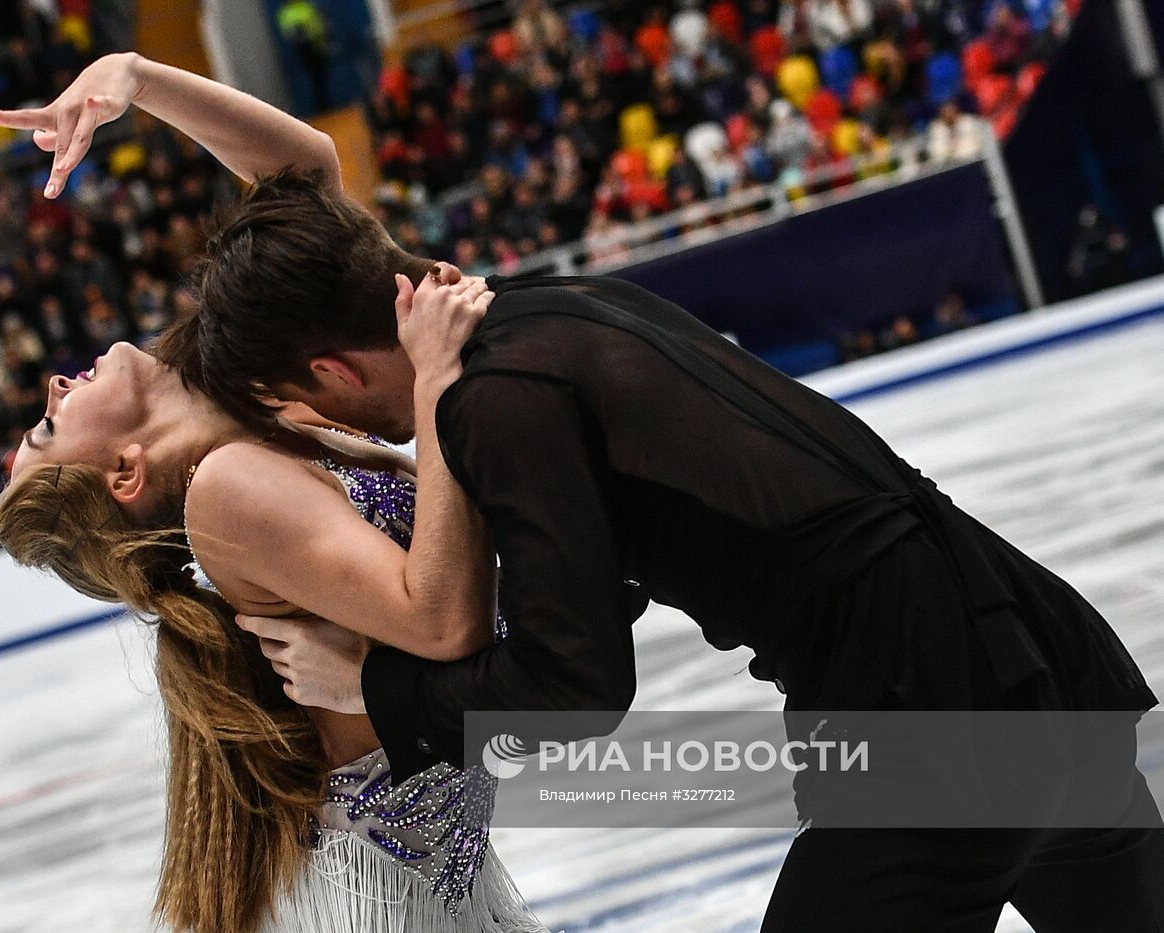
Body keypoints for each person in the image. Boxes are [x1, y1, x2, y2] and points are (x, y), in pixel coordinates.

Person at [161, 169, 1164, 932]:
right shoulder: (549, 310)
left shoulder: (491, 398)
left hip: (931, 716)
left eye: (302, 404)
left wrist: (377, 689)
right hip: (1035, 656)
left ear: (330, 367)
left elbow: (576, 687)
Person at [0, 54, 548, 933]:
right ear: (126, 472)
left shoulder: (250, 400)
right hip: (386, 906)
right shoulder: (227, 489)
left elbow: (305, 184)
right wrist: (436, 384)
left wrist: (136, 78)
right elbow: (443, 620)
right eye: (51, 425)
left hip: (433, 885)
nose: (55, 383)